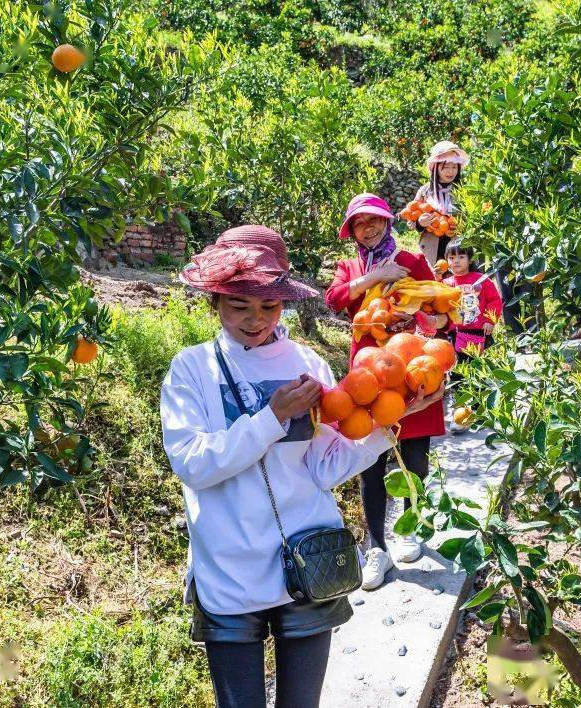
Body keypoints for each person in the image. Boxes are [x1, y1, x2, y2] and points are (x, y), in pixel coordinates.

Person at [161, 225, 435, 708]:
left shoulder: (307, 363)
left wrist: (389, 422)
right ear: (216, 301)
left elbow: (323, 468)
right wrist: (273, 417)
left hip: (309, 563)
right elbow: (194, 465)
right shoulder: (192, 370)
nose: (255, 319)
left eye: (268, 306)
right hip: (229, 570)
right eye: (239, 305)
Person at [325, 194, 446, 590]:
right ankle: (376, 546)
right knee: (369, 461)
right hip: (367, 377)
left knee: (415, 457)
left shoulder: (411, 260)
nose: (368, 228)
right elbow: (334, 299)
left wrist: (421, 317)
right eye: (359, 224)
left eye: (373, 220)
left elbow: (438, 309)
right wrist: (376, 277)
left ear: (386, 221)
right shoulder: (350, 268)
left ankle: (409, 527)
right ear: (352, 232)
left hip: (410, 367)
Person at [441, 241, 503, 432]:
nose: (456, 261)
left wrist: (489, 321)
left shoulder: (480, 279)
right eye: (452, 258)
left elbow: (495, 300)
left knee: (479, 372)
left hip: (479, 335)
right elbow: (438, 304)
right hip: (456, 336)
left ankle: (480, 410)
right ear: (446, 260)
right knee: (458, 374)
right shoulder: (446, 283)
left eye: (461, 257)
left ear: (470, 259)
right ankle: (460, 413)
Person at [411, 141, 470, 270]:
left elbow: (470, 216)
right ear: (436, 167)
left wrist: (462, 226)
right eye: (446, 167)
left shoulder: (463, 191)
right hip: (432, 247)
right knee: (435, 281)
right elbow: (411, 218)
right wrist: (421, 223)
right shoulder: (425, 191)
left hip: (457, 248)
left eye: (454, 167)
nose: (451, 171)